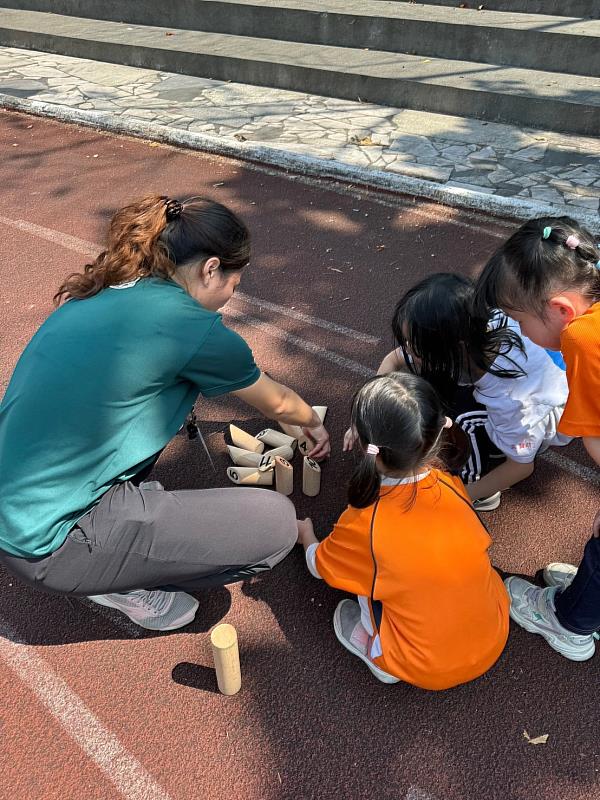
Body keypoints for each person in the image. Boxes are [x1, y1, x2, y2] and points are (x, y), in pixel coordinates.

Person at [0, 195, 330, 631]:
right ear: (211, 268)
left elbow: (251, 383)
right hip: (49, 546)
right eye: (235, 283)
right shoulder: (191, 328)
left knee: (162, 402)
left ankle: (116, 533)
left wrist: (284, 410)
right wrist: (311, 422)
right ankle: (113, 579)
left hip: (16, 500)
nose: (233, 294)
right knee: (277, 524)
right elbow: (282, 402)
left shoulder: (110, 287)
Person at [298, 372, 509, 689]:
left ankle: (382, 656)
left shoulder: (365, 523)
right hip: (494, 632)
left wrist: (306, 537)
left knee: (367, 578)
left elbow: (320, 567)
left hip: (426, 667)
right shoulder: (451, 484)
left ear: (371, 448)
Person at [475, 216, 600, 661]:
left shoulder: (584, 341)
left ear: (561, 310)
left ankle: (571, 625)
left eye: (517, 318)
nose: (517, 330)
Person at [345, 273, 570, 510]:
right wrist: (370, 414)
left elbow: (521, 467)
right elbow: (394, 359)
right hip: (510, 380)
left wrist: (459, 496)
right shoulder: (470, 325)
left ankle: (479, 488)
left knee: (461, 421)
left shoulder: (514, 402)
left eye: (416, 344)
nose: (407, 349)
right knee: (423, 387)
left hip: (546, 415)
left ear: (452, 347)